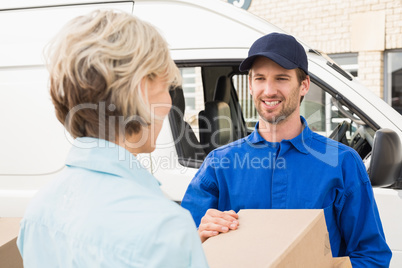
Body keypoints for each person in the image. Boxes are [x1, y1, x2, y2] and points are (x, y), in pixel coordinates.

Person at [181, 32, 392, 267]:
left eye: (281, 78)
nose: (269, 90)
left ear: (304, 85)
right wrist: (199, 237)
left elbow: (372, 256)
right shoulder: (219, 165)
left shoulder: (342, 163)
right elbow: (178, 253)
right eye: (260, 78)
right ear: (250, 85)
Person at [17, 10, 208, 268]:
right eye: (166, 87)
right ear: (141, 92)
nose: (169, 102)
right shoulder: (165, 228)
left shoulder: (39, 209)